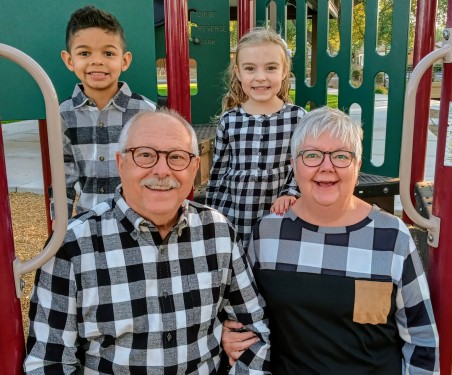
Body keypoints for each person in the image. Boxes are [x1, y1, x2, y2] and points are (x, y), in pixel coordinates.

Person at [24, 109, 271, 374]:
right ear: (121, 163)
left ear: (194, 167)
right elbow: (49, 360)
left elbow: (253, 331)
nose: (162, 170)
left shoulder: (219, 233)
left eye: (176, 157)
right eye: (145, 155)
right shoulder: (73, 246)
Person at [222, 107, 440, 374]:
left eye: (340, 156)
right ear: (294, 164)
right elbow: (247, 321)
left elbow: (421, 340)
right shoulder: (268, 234)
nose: (326, 167)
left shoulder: (391, 237)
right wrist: (228, 335)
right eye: (312, 155)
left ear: (357, 165)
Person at [205, 27, 306, 249]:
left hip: (281, 214)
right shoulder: (229, 120)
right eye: (250, 68)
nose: (260, 77)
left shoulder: (297, 117)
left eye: (270, 68)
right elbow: (219, 172)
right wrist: (211, 216)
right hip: (236, 214)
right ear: (238, 73)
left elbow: (304, 163)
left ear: (284, 71)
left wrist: (291, 192)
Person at [59, 5, 156, 217]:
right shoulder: (63, 114)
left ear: (124, 61)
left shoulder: (146, 112)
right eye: (84, 53)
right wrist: (60, 224)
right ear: (69, 60)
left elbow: (156, 170)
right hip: (88, 221)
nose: (97, 60)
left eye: (108, 53)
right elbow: (62, 176)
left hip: (138, 218)